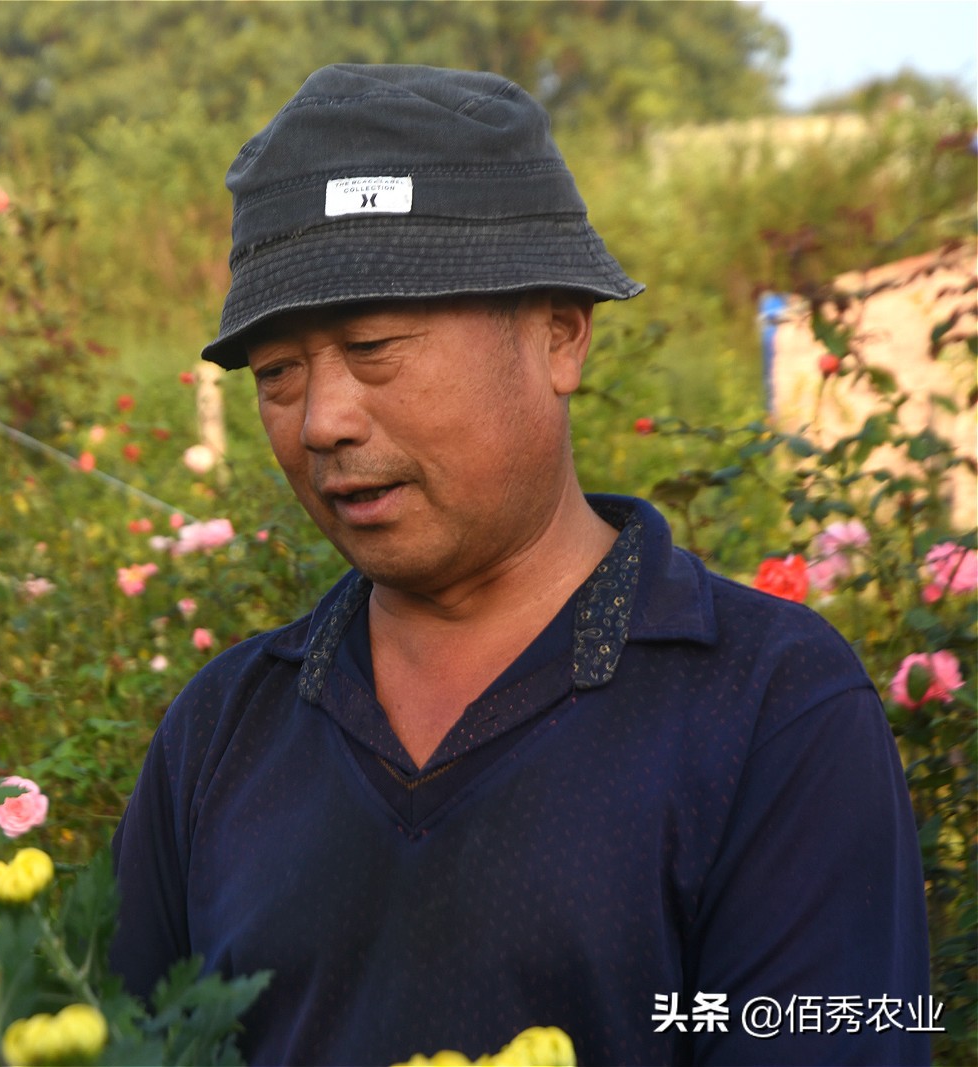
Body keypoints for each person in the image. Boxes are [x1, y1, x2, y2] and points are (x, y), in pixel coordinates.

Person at [108, 65, 930, 1067]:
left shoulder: (770, 708)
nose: (322, 419)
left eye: (373, 345)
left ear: (558, 335)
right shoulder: (222, 735)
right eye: (278, 373)